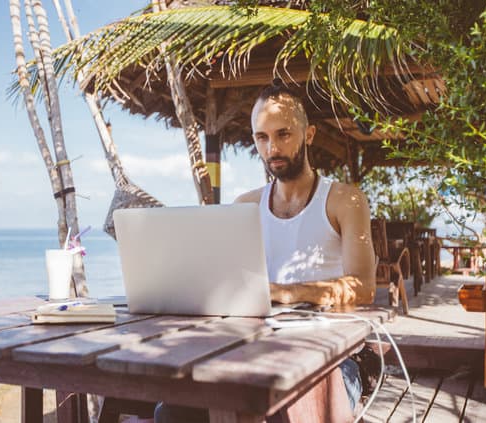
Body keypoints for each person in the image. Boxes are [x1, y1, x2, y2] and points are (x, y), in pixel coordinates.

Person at [152, 80, 377, 423]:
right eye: (262, 137)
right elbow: (223, 279)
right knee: (172, 412)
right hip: (259, 351)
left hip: (333, 359)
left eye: (284, 134)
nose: (273, 147)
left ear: (309, 134)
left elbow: (364, 287)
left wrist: (287, 293)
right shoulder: (246, 205)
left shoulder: (343, 200)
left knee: (276, 416)